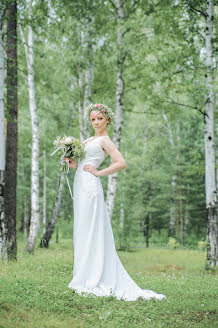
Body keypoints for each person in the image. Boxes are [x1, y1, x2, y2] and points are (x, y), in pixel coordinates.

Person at [67, 103, 166, 301]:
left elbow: (121, 162)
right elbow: (84, 165)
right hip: (80, 183)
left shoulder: (105, 140)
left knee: (92, 229)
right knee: (83, 229)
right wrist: (73, 165)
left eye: (100, 119)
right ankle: (84, 274)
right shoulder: (88, 139)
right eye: (93, 119)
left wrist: (98, 172)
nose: (96, 122)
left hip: (91, 186)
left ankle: (95, 276)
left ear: (108, 120)